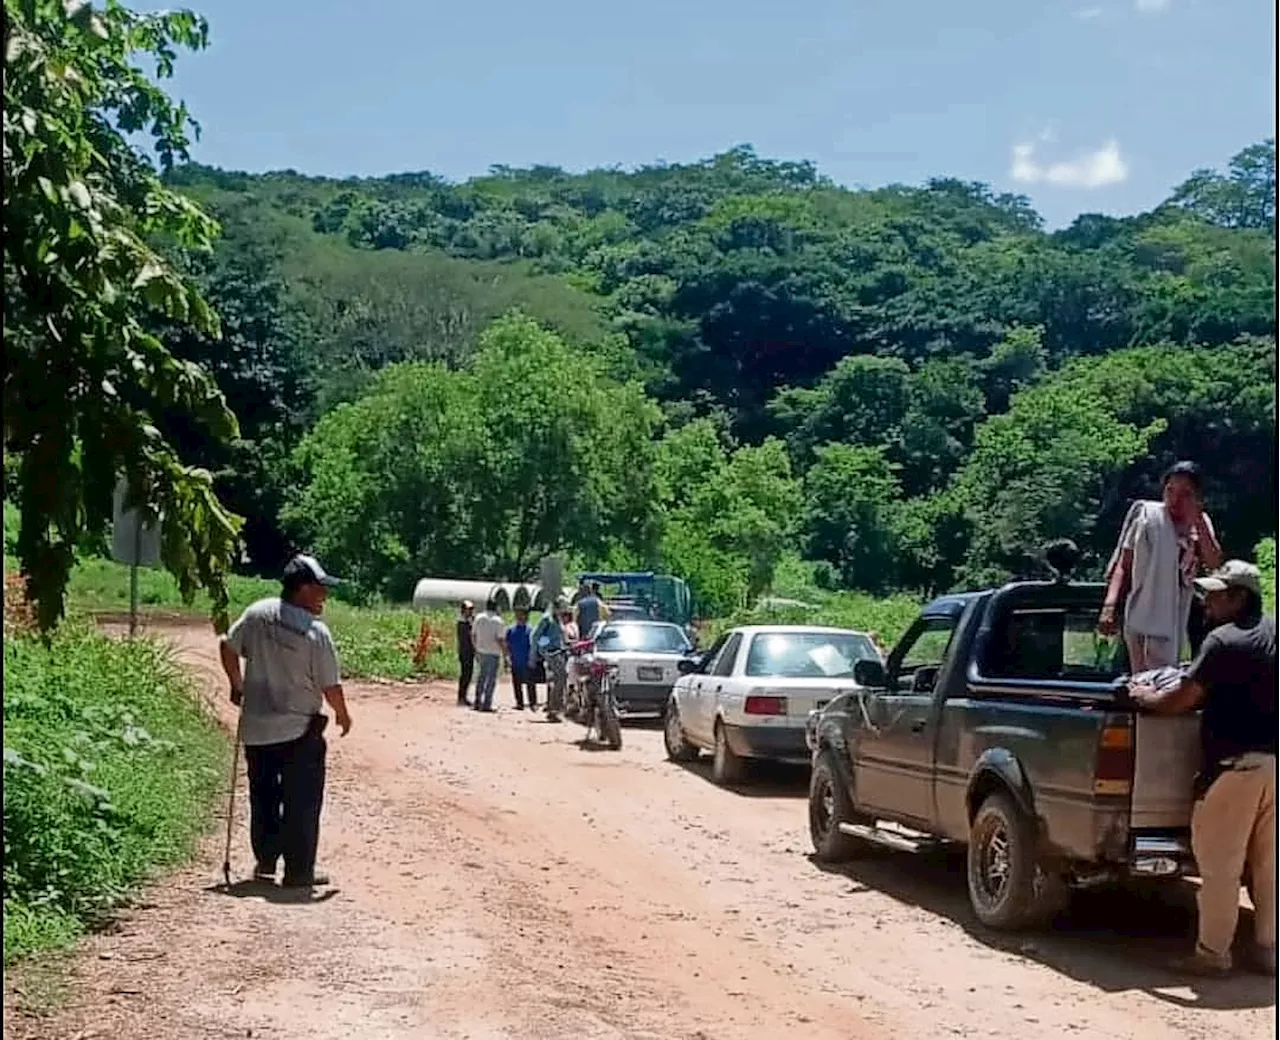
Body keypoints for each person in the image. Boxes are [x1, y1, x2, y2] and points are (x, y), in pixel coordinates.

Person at [1130, 560, 1275, 977]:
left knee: (1220, 868)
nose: (1207, 602)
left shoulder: (1223, 642)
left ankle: (1213, 955)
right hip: (1274, 767)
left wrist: (1144, 697)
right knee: (1268, 868)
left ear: (1239, 597)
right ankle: (1269, 951)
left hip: (1234, 770)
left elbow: (1182, 699)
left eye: (1215, 594)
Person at [218, 554, 352, 889]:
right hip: (299, 731)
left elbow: (227, 646)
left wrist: (236, 685)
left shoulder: (257, 613)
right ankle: (298, 872)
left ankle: (265, 863)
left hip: (257, 727)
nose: (325, 596)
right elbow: (330, 685)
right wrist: (343, 713)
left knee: (263, 796)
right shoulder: (316, 632)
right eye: (321, 589)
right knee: (302, 802)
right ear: (303, 589)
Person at [1099, 461, 1223, 671]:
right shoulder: (1149, 518)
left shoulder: (1200, 523)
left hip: (1177, 612)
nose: (1175, 500)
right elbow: (1124, 564)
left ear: (1197, 497)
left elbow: (1214, 563)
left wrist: (1198, 522)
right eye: (1170, 490)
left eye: (1185, 494)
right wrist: (1109, 606)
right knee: (1140, 679)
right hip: (1141, 611)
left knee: (1167, 676)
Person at [532, 600, 570, 723]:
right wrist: (542, 650)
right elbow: (536, 636)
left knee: (557, 680)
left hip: (559, 652)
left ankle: (554, 707)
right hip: (552, 653)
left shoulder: (557, 619)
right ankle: (553, 709)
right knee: (561, 677)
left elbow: (557, 636)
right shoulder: (547, 619)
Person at [471, 598, 505, 713]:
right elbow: (500, 639)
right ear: (496, 607)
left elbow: (473, 635)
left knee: (481, 677)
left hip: (481, 651)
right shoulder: (498, 621)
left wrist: (475, 648)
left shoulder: (478, 618)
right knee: (491, 679)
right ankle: (487, 703)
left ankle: (477, 701)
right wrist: (505, 653)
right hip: (493, 652)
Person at [504, 607, 538, 710]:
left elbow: (534, 646)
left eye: (523, 615)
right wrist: (507, 658)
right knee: (516, 683)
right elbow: (507, 645)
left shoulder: (531, 630)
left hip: (527, 660)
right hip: (515, 660)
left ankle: (533, 703)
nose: (521, 617)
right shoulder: (510, 630)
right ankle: (520, 703)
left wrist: (533, 658)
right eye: (519, 615)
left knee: (530, 683)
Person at [456, 601, 475, 706]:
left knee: (468, 675)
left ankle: (464, 696)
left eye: (472, 609)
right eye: (469, 609)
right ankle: (461, 697)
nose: (471, 611)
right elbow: (468, 637)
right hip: (465, 652)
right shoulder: (462, 622)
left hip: (469, 651)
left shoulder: (468, 621)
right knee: (465, 675)